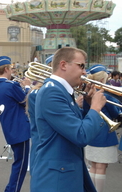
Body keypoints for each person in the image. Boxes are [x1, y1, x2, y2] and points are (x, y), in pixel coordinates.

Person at [30, 47, 107, 192]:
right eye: (81, 66)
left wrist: (88, 105)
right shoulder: (52, 91)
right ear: (63, 65)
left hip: (64, 173)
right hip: (57, 179)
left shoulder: (60, 90)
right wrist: (95, 108)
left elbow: (75, 126)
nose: (85, 72)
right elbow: (81, 135)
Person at [0, 56, 31, 192]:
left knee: (19, 163)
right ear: (6, 69)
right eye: (12, 68)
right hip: (20, 129)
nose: (13, 71)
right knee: (21, 165)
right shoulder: (10, 85)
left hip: (11, 128)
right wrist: (26, 86)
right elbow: (25, 101)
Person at [83, 65, 120, 192]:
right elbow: (115, 113)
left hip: (91, 132)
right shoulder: (105, 95)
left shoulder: (88, 93)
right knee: (101, 167)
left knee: (93, 166)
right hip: (105, 134)